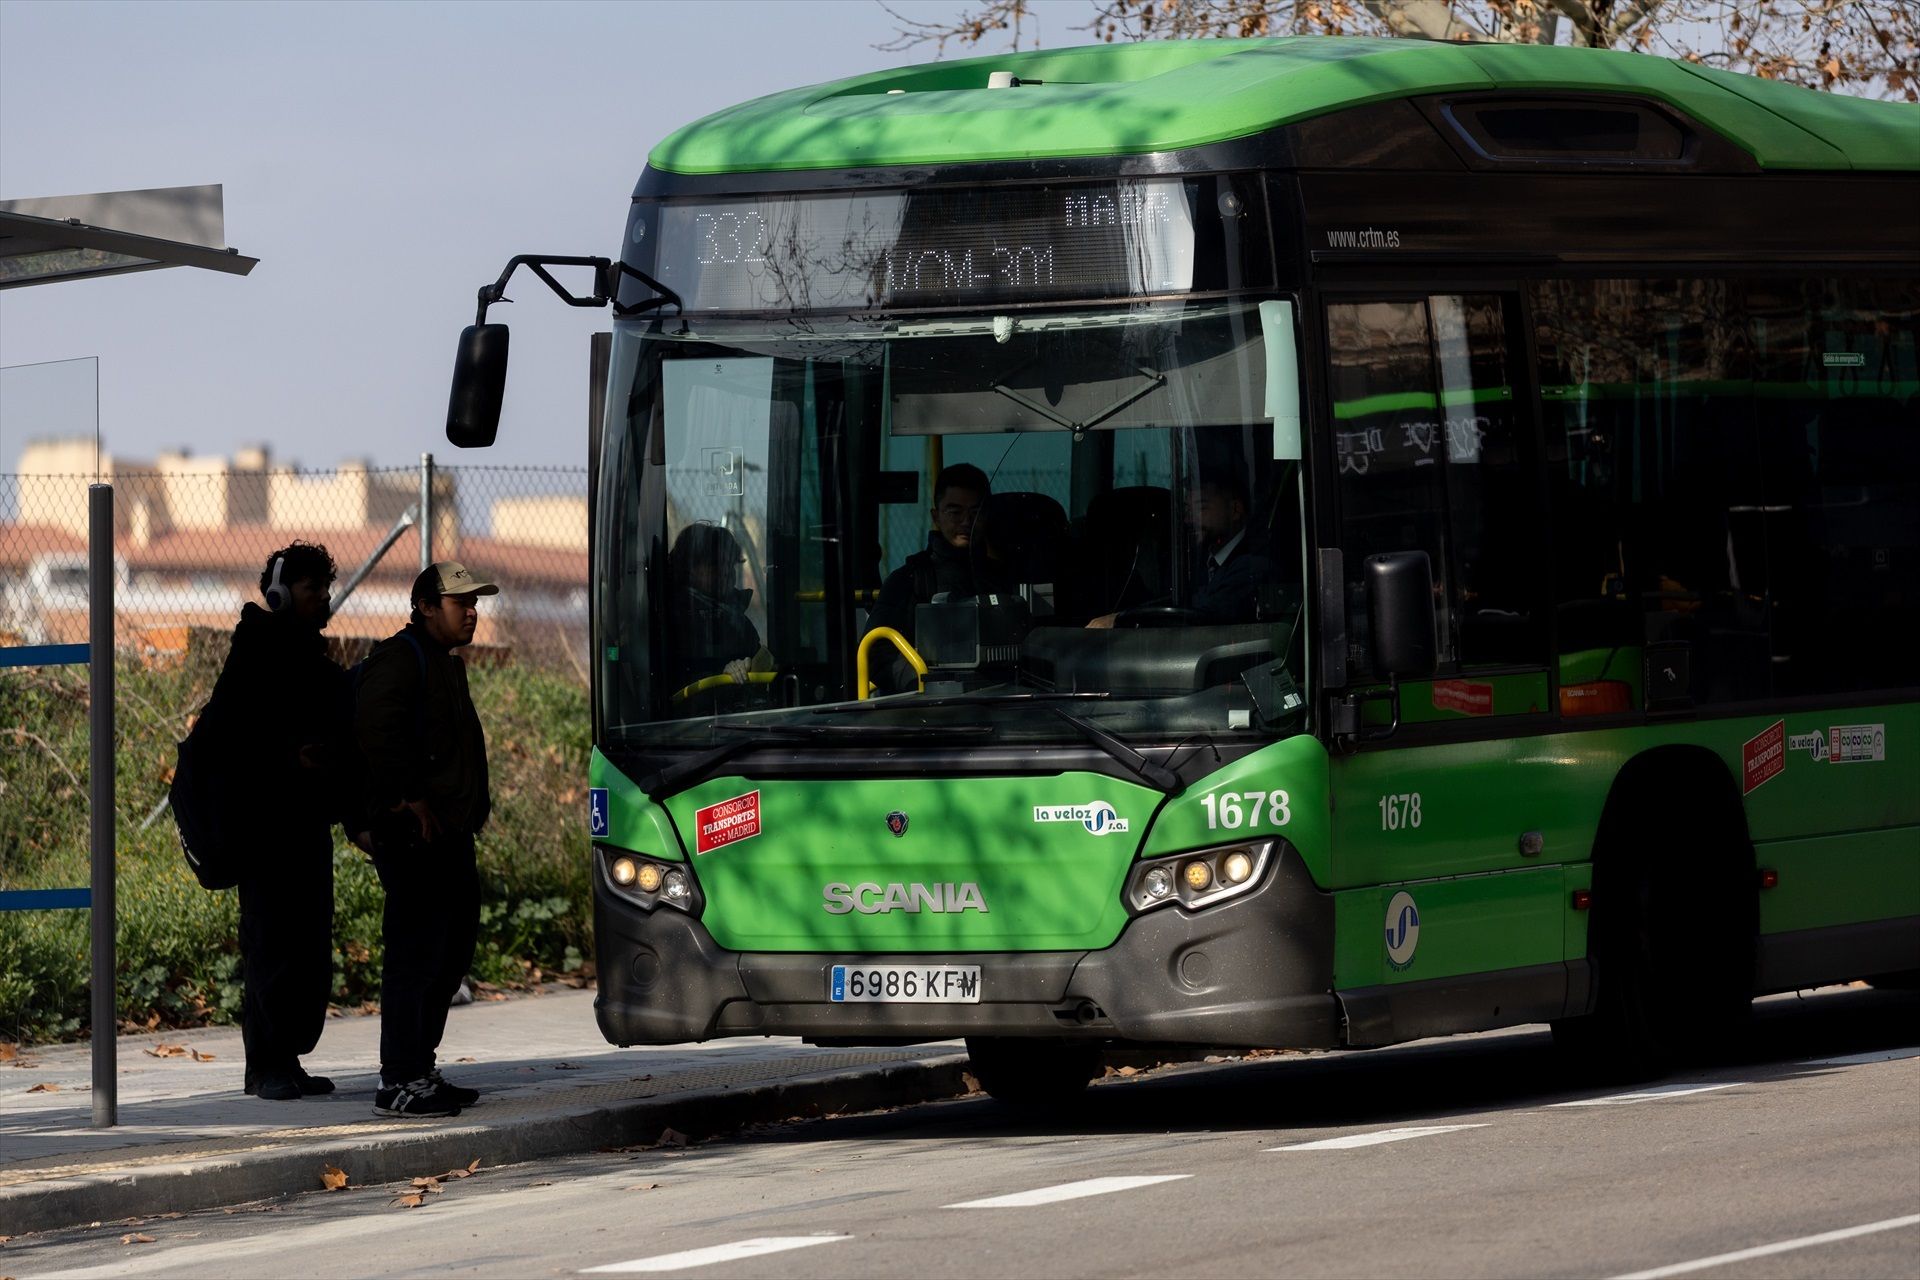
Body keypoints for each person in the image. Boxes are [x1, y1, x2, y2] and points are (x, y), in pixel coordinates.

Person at [207, 541, 347, 1102]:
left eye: (326, 589)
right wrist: (290, 758)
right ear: (281, 592)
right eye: (313, 589)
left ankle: (285, 1060)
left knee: (306, 945)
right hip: (265, 830)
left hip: (305, 824)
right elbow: (230, 739)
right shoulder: (256, 650)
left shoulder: (309, 656)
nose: (324, 600)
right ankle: (264, 1066)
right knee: (271, 946)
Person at [355, 562, 496, 1118]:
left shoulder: (444, 664)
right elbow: (373, 729)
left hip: (450, 836)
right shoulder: (400, 659)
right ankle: (399, 1080)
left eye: (474, 601)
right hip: (413, 838)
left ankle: (421, 1065)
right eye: (459, 602)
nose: (472, 611)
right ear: (426, 606)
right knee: (414, 957)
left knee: (453, 949)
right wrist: (406, 797)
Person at [865, 463, 990, 689]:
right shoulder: (910, 580)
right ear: (936, 516)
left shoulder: (1004, 577)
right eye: (955, 512)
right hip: (929, 713)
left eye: (975, 512)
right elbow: (876, 650)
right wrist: (925, 682)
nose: (966, 521)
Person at [664, 523, 770, 696]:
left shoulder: (735, 616)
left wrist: (749, 665)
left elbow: (762, 663)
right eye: (716, 565)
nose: (727, 571)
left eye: (731, 564)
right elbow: (673, 681)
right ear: (689, 569)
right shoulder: (673, 618)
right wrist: (722, 675)